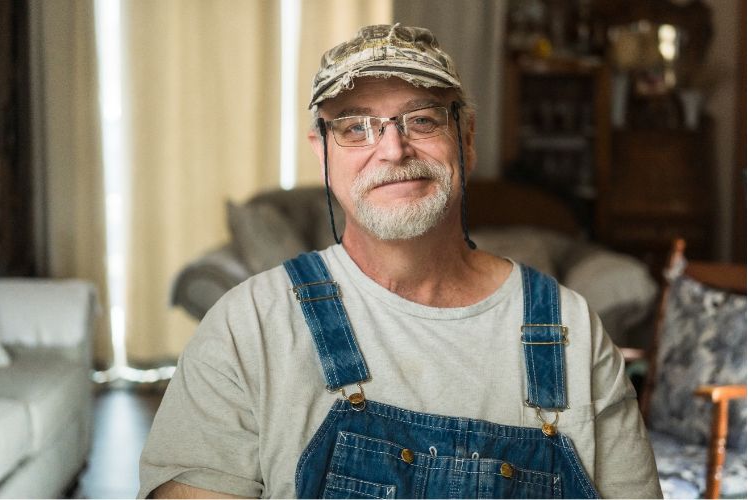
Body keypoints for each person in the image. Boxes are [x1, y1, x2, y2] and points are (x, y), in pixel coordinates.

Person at [138, 24, 662, 499]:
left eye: (422, 119)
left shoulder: (571, 332)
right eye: (355, 127)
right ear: (322, 151)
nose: (393, 149)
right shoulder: (247, 327)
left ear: (467, 139)